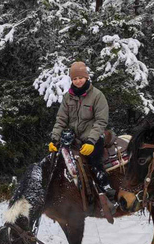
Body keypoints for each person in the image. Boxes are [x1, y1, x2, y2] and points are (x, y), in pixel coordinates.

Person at [48, 61, 115, 201]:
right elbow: (61, 119)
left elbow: (101, 121)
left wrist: (91, 141)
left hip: (93, 137)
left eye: (80, 77)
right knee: (58, 162)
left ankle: (105, 186)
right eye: (75, 78)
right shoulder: (68, 97)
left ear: (86, 77)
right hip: (73, 138)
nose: (78, 81)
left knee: (95, 161)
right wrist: (54, 139)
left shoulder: (97, 95)